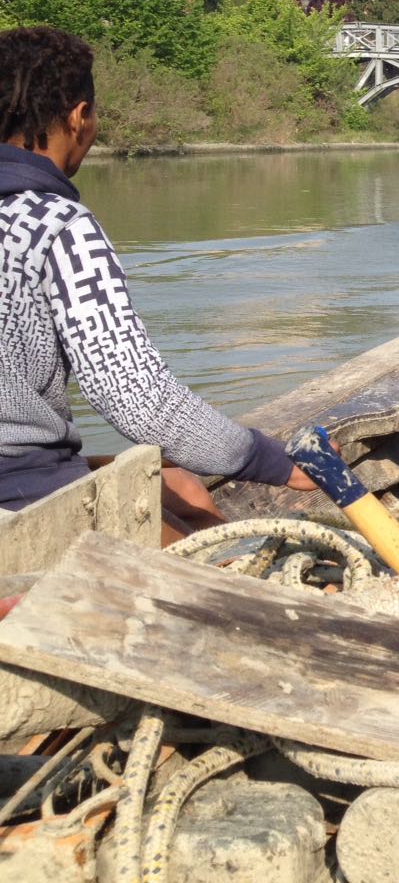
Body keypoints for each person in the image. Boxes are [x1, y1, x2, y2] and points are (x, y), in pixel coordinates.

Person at [0, 27, 319, 536]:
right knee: (209, 565)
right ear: (79, 117)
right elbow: (136, 397)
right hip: (19, 488)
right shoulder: (57, 225)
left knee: (186, 489)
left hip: (22, 470)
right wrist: (271, 460)